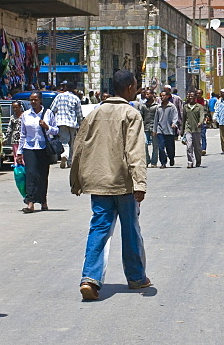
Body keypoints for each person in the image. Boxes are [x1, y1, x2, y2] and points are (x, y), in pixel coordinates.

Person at [71, 70, 149, 300]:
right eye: (135, 85)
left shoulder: (94, 113)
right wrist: (140, 183)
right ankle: (136, 277)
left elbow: (79, 148)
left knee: (99, 228)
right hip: (123, 184)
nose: (136, 89)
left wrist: (76, 179)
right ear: (128, 88)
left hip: (98, 183)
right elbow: (135, 151)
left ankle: (89, 279)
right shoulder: (131, 114)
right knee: (131, 230)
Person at [14, 91, 58, 213]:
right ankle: (30, 202)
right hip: (29, 148)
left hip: (44, 148)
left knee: (42, 175)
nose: (33, 102)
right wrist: (19, 152)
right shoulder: (26, 115)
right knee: (31, 174)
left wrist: (47, 127)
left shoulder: (48, 113)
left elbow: (56, 130)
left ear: (40, 100)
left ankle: (43, 201)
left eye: (35, 100)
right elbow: (23, 134)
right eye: (31, 100)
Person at [51, 82, 83, 170]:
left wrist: (52, 121)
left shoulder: (59, 97)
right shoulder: (76, 98)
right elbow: (79, 114)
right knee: (72, 142)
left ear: (65, 87)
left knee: (64, 141)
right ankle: (69, 161)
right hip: (72, 123)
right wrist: (81, 124)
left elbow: (52, 109)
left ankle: (65, 154)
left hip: (61, 122)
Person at [153, 90, 179, 168]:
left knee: (170, 148)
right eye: (161, 96)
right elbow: (156, 119)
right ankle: (163, 163)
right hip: (160, 130)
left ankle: (171, 158)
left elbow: (175, 116)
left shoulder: (172, 106)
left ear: (167, 96)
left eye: (164, 95)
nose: (162, 97)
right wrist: (154, 130)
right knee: (161, 147)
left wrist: (174, 123)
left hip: (169, 130)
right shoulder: (158, 107)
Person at [182, 91, 205, 169]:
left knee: (197, 147)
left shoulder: (199, 107)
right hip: (188, 129)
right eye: (189, 96)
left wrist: (200, 122)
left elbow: (202, 116)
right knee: (189, 146)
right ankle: (190, 162)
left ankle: (198, 160)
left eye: (192, 96)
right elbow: (184, 119)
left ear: (195, 97)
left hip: (196, 130)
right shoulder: (185, 107)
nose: (191, 98)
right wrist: (182, 130)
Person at [139, 90, 159, 167]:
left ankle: (154, 162)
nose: (146, 95)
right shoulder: (143, 106)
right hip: (145, 127)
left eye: (148, 94)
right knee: (145, 144)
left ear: (152, 95)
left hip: (155, 128)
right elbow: (141, 116)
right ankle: (147, 160)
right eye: (146, 94)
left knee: (155, 145)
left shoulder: (157, 106)